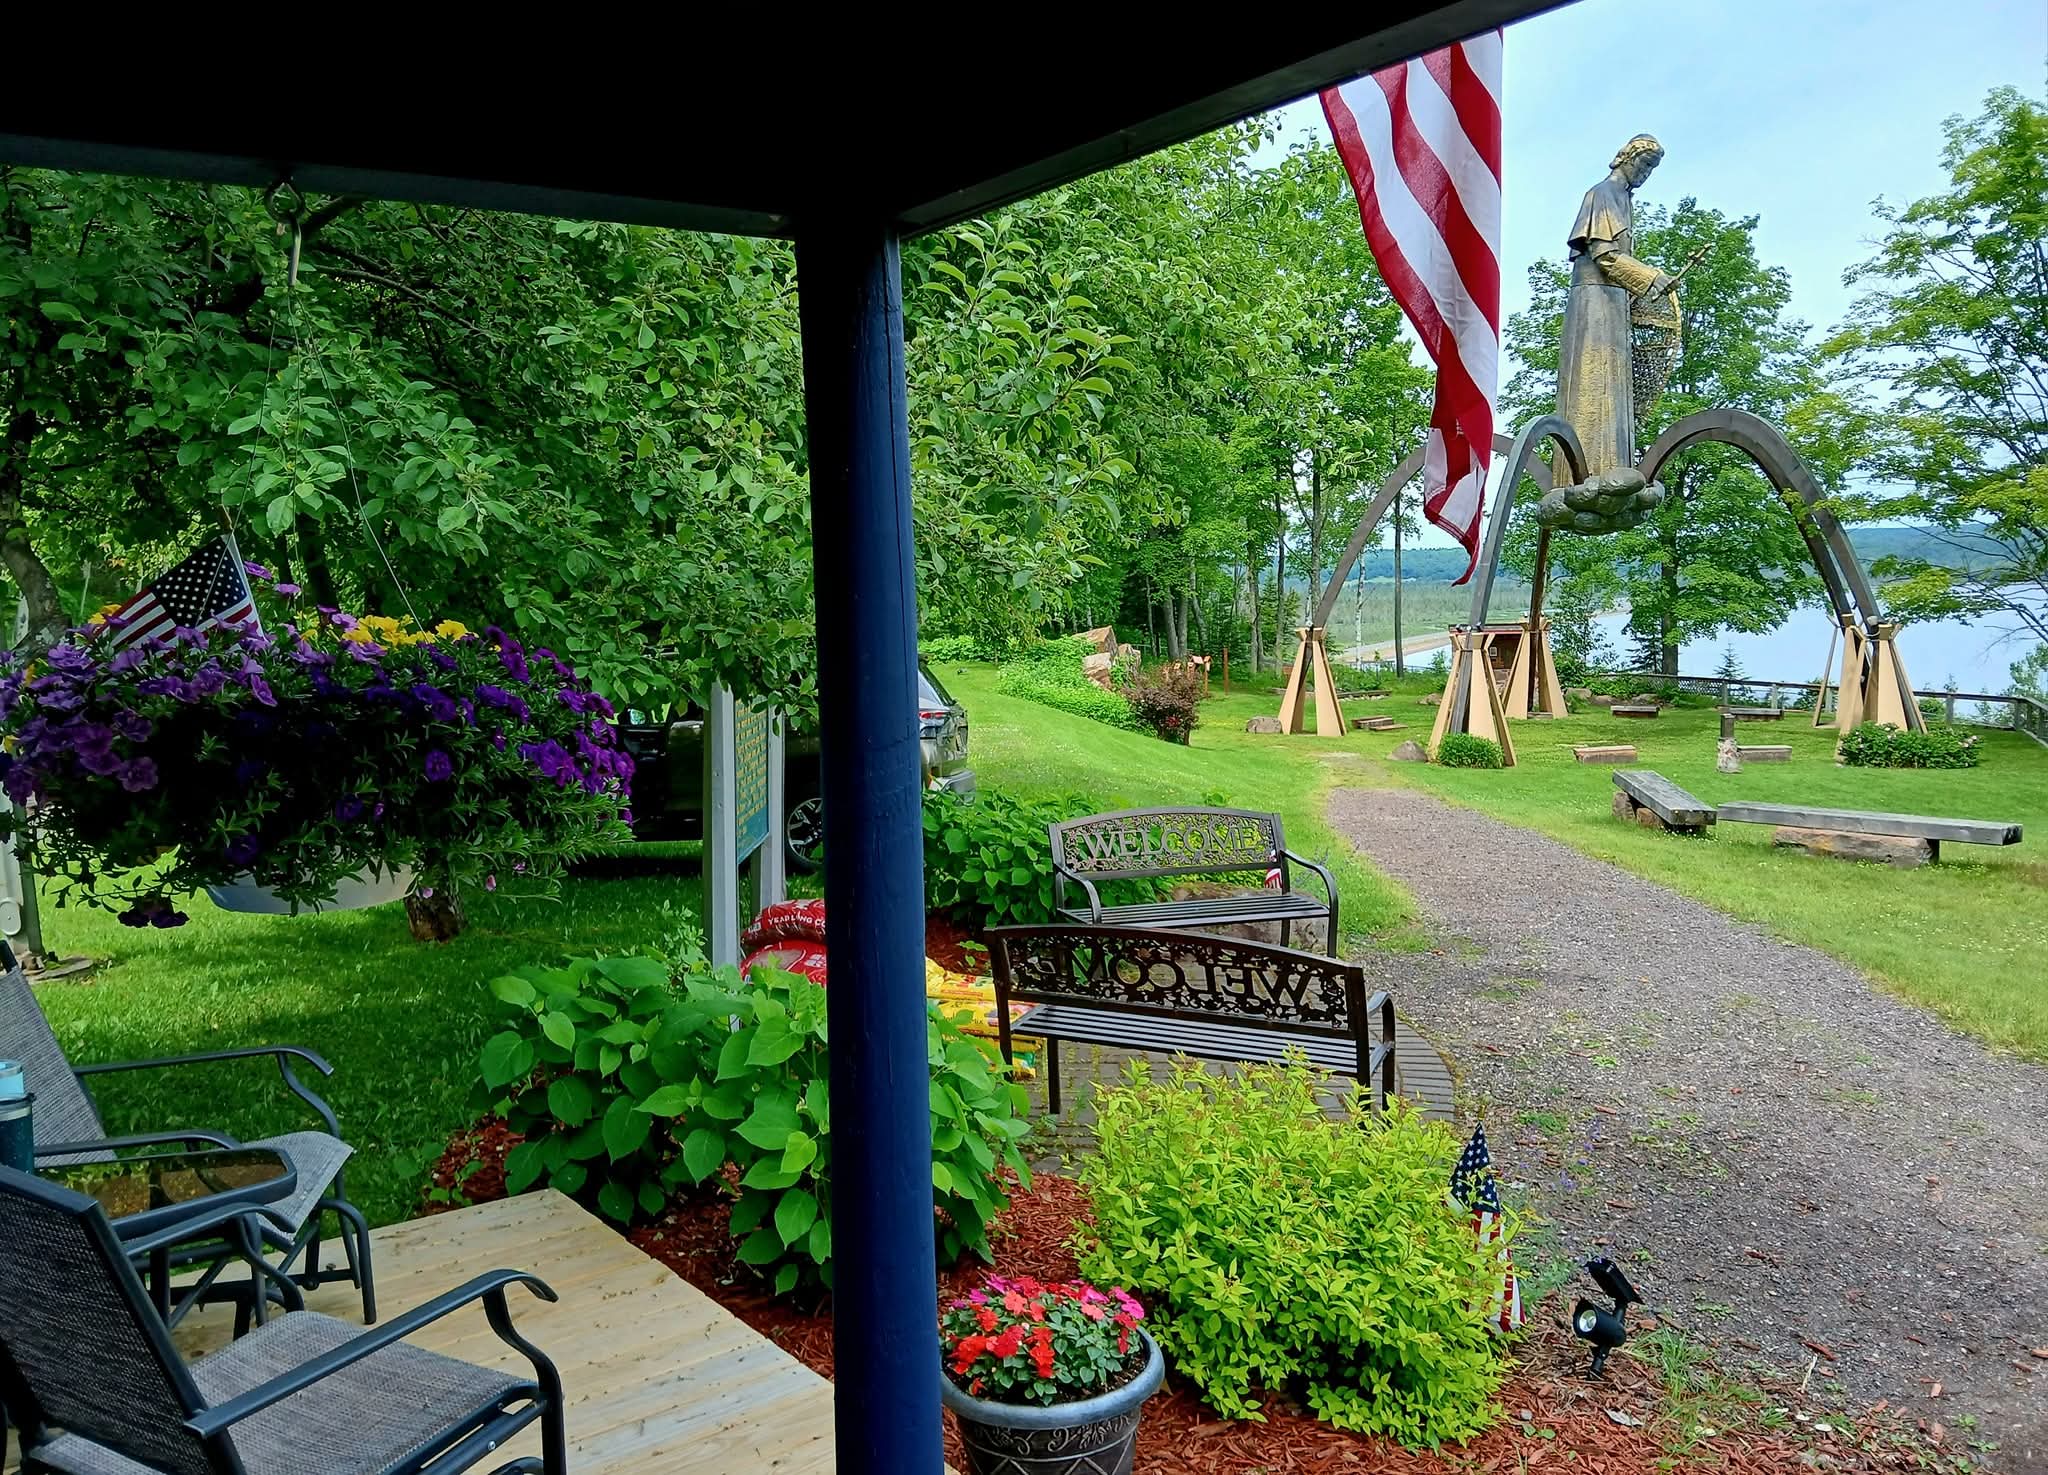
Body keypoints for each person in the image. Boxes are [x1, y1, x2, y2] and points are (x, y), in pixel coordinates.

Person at [1556, 134, 1674, 476]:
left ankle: (1612, 466)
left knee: (1613, 383)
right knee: (1594, 378)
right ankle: (1583, 470)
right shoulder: (1602, 194)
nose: (1646, 174)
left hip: (1614, 301)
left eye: (1652, 169)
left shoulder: (1623, 199)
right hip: (1594, 303)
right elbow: (1605, 255)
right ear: (1628, 157)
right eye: (1645, 164)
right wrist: (1650, 278)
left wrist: (1642, 288)